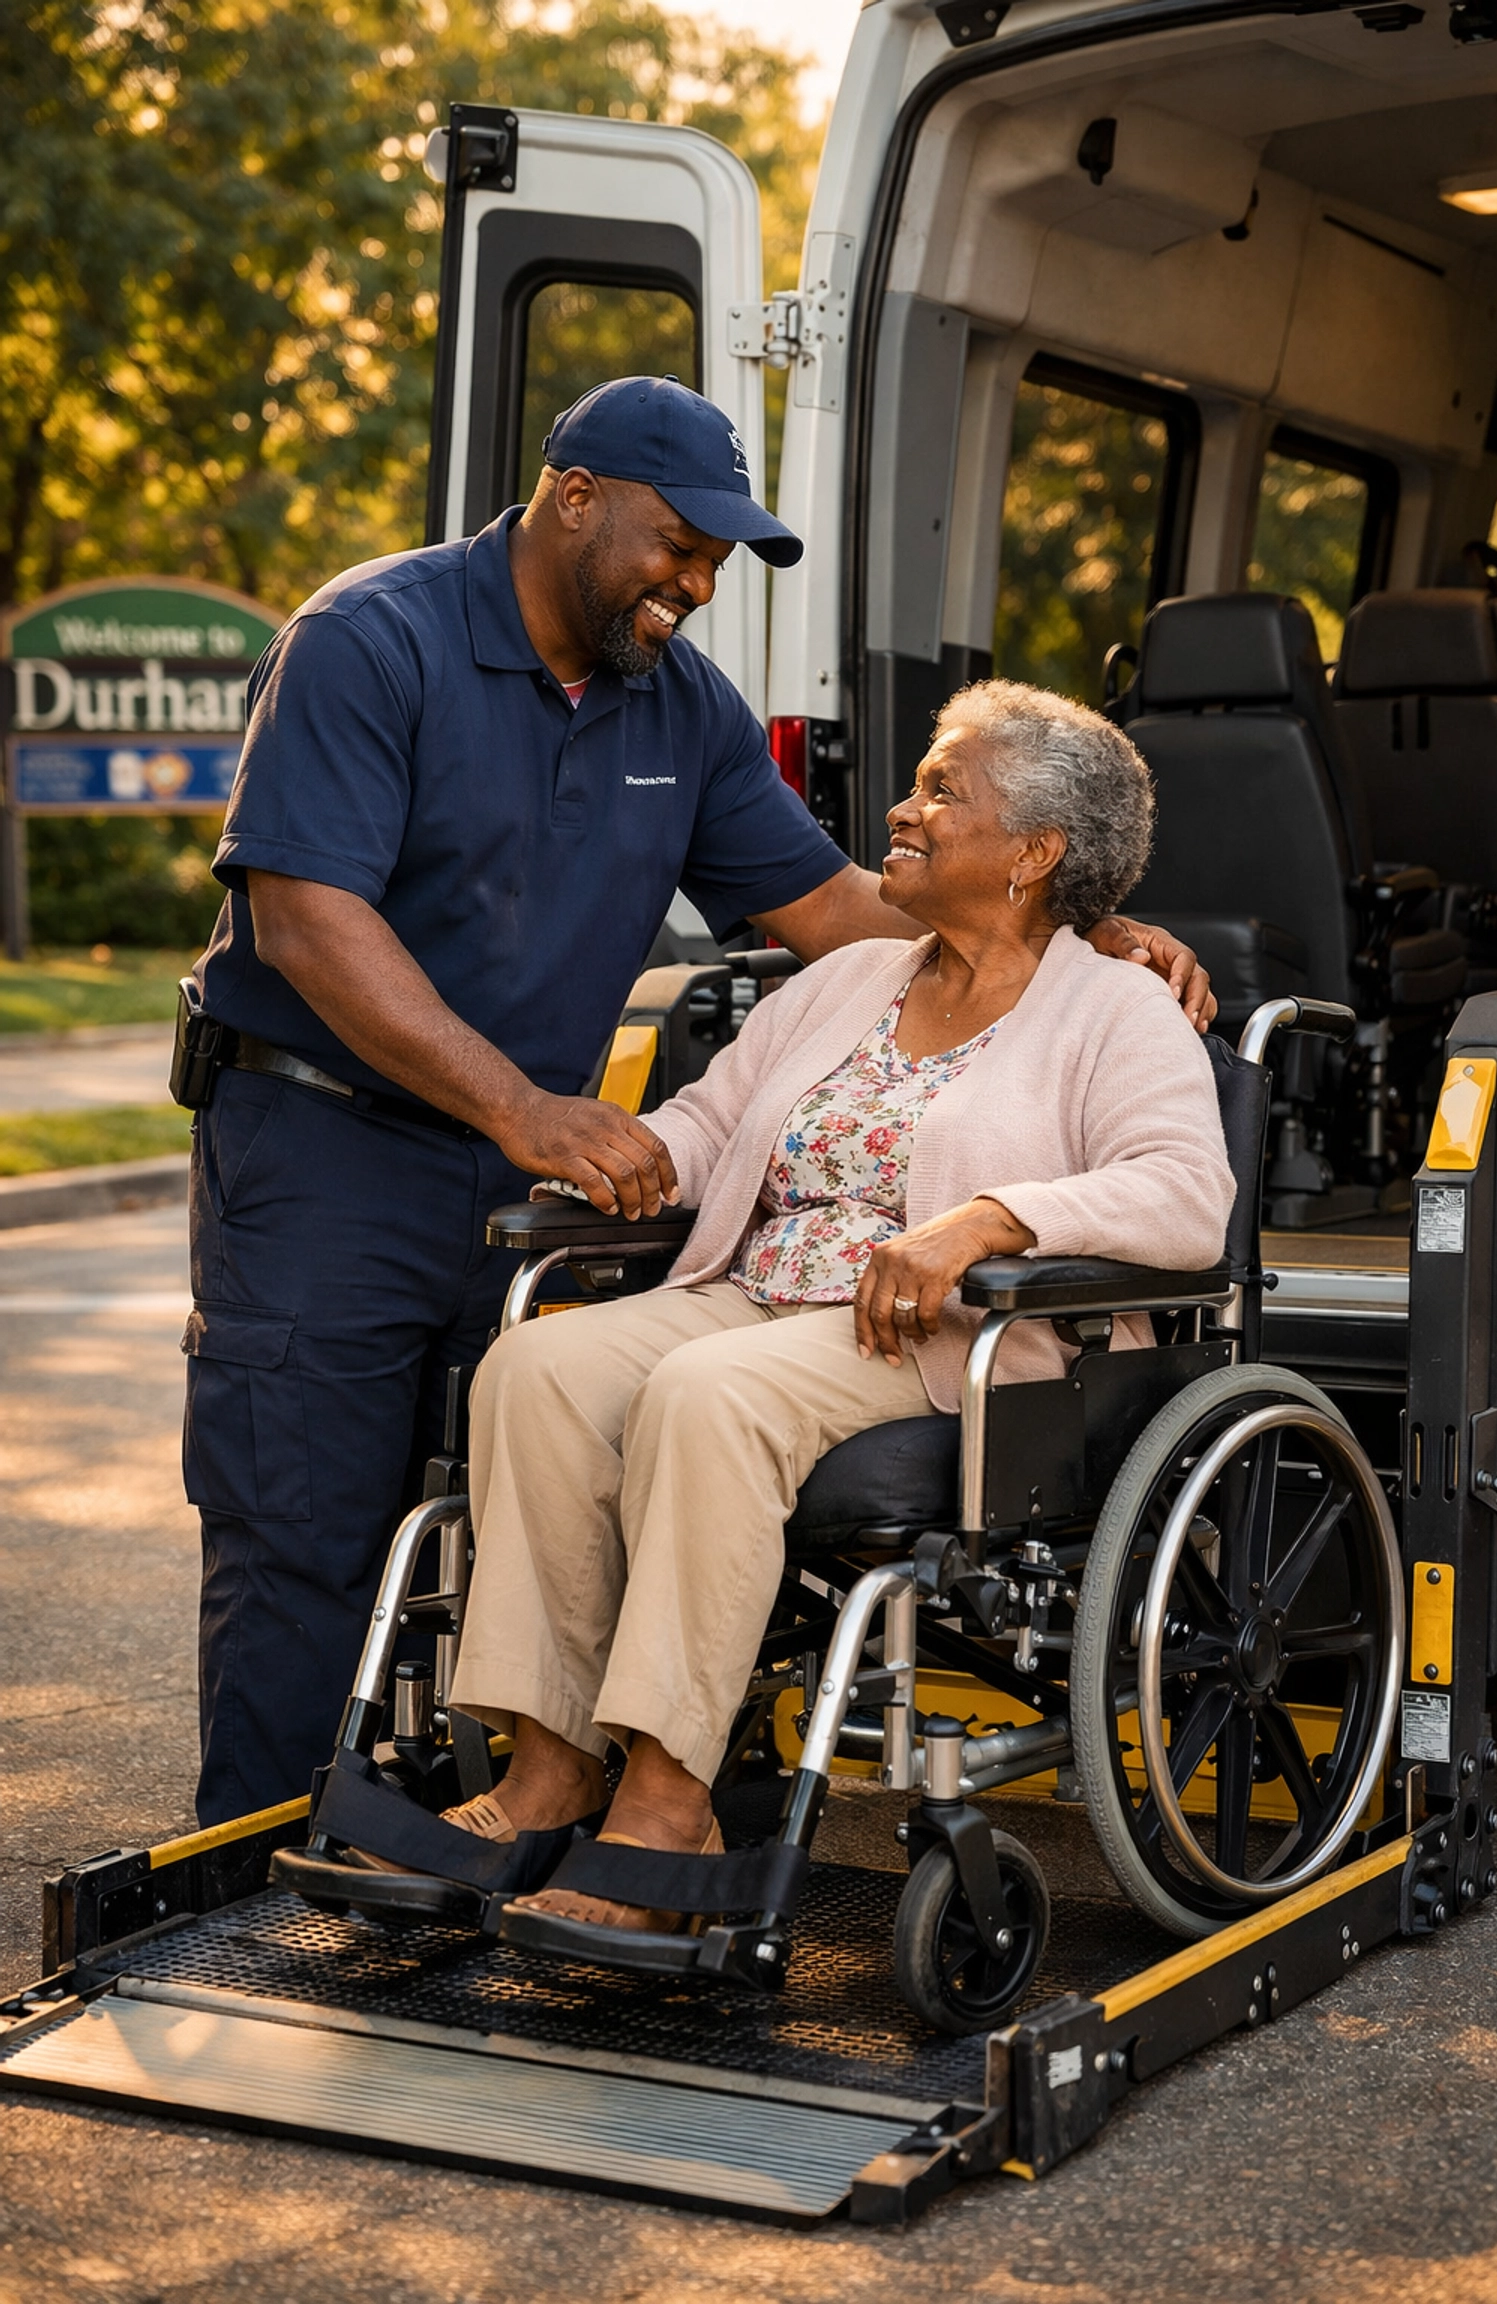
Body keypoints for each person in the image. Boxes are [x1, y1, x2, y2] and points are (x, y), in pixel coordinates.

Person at [185, 373, 1215, 1827]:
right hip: (324, 1148)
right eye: (680, 542)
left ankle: (540, 1796)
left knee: (505, 1454)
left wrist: (1063, 933)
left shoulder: (682, 707)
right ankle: (247, 1865)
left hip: (516, 1168)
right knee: (298, 1522)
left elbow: (833, 906)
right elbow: (302, 917)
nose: (697, 582)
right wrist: (526, 1113)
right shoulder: (372, 639)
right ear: (575, 497)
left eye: (719, 560)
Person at [334, 680, 1235, 1934]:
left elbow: (1186, 1194)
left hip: (937, 1339)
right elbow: (713, 1125)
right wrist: (615, 1152)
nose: (903, 811)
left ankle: (667, 1802)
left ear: (1036, 854)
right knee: (535, 1368)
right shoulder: (852, 978)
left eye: (942, 793)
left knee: (709, 1397)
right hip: (755, 1293)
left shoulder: (1116, 1009)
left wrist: (989, 1219)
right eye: (916, 782)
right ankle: (547, 1774)